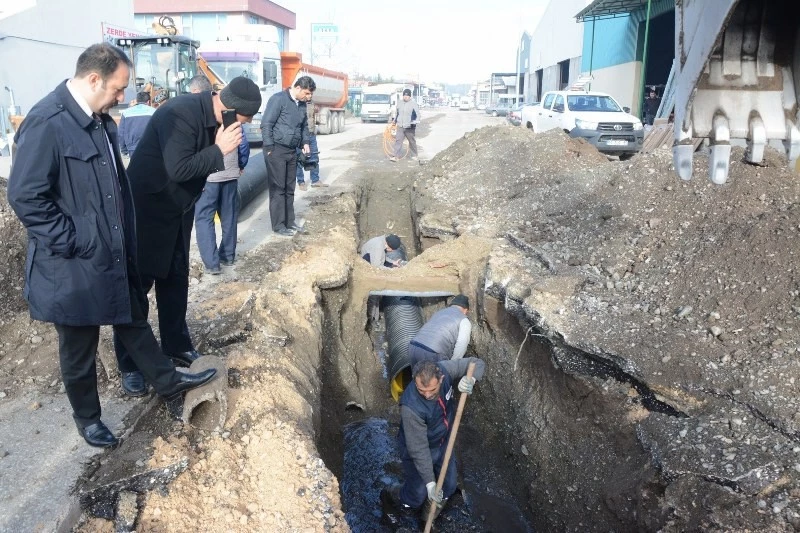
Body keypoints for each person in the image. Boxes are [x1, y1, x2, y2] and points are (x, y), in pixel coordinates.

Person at [6, 43, 218, 448]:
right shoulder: (47, 122)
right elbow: (26, 196)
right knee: (79, 347)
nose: (124, 97)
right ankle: (88, 419)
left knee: (134, 321)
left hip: (112, 251)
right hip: (71, 262)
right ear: (93, 79)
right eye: (119, 89)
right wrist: (75, 239)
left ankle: (170, 386)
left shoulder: (101, 120)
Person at [114, 75, 260, 392]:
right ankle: (130, 364)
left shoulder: (218, 117)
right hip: (148, 209)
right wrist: (220, 148)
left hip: (178, 208)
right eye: (244, 120)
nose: (243, 126)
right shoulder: (180, 113)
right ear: (231, 107)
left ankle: (175, 345)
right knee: (140, 285)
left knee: (176, 278)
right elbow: (178, 169)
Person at [382, 358, 486, 521]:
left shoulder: (445, 370)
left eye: (432, 389)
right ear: (415, 381)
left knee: (449, 486)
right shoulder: (411, 407)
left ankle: (427, 518)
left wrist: (470, 379)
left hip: (443, 442)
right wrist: (430, 484)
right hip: (419, 448)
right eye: (421, 390)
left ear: (442, 378)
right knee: (417, 496)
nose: (427, 395)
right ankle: (391, 494)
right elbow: (419, 449)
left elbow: (477, 362)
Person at [191, 76, 251, 274]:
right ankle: (228, 256)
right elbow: (243, 144)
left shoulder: (198, 117)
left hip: (207, 178)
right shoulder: (231, 114)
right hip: (230, 174)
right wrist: (240, 165)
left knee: (204, 218)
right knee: (229, 216)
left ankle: (212, 264)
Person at [261, 75, 316, 236]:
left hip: (292, 151)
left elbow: (304, 126)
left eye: (310, 94)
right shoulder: (278, 100)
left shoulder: (301, 105)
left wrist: (305, 143)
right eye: (306, 93)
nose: (309, 97)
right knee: (278, 189)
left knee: (289, 188)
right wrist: (270, 147)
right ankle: (279, 226)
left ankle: (289, 222)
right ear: (297, 88)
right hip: (276, 150)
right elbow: (267, 124)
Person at [408, 295, 471, 366]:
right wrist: (451, 365)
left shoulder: (440, 312)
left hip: (414, 347)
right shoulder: (464, 320)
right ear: (466, 310)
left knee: (418, 376)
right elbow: (461, 345)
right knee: (437, 376)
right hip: (433, 353)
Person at [296, 100, 328, 190]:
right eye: (308, 93)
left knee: (314, 156)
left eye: (311, 93)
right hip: (300, 135)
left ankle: (315, 180)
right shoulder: (296, 103)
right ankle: (301, 182)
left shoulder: (311, 103)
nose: (309, 95)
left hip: (311, 134)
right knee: (299, 159)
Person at [118, 91, 155, 157]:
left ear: (137, 101)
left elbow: (121, 133)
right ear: (148, 102)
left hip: (132, 149)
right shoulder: (154, 112)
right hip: (151, 147)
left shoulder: (126, 113)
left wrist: (124, 150)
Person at [389, 88, 421, 162]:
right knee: (398, 141)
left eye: (407, 96)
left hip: (409, 126)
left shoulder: (413, 104)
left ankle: (414, 155)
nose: (405, 97)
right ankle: (396, 156)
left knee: (411, 141)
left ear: (410, 96)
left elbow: (418, 115)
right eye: (404, 96)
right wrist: (395, 121)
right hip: (400, 125)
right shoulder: (399, 103)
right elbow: (398, 113)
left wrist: (415, 121)